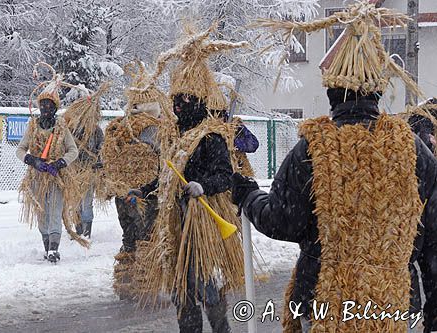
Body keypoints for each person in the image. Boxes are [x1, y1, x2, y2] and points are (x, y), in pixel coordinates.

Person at [233, 3, 437, 332]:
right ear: (378, 90)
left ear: (331, 93)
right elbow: (432, 240)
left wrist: (248, 196)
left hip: (323, 304)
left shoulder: (312, 148)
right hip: (390, 305)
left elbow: (284, 219)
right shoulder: (413, 149)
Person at [141, 23, 248, 333]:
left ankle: (220, 327)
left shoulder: (210, 136)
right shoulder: (173, 136)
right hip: (175, 222)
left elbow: (224, 176)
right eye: (176, 101)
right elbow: (166, 174)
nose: (178, 106)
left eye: (185, 100)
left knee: (201, 280)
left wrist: (203, 186)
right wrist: (148, 189)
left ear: (198, 102)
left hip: (201, 219)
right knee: (180, 286)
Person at [100, 61, 165, 300]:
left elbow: (106, 157)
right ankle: (144, 284)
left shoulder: (120, 127)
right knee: (146, 236)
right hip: (145, 194)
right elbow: (162, 161)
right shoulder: (154, 129)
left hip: (122, 194)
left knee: (128, 236)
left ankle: (125, 283)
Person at [17, 63, 79, 263]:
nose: (45, 108)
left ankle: (54, 249)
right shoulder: (33, 126)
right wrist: (32, 160)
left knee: (54, 211)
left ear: (54, 108)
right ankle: (46, 245)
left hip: (56, 176)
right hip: (37, 176)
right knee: (42, 213)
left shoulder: (62, 127)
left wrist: (60, 163)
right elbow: (20, 150)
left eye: (49, 105)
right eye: (42, 105)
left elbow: (73, 150)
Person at [63, 84, 107, 239]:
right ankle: (78, 229)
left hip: (89, 172)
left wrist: (99, 163)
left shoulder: (96, 131)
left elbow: (102, 149)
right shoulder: (70, 129)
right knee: (75, 202)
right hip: (74, 172)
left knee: (86, 203)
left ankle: (86, 233)